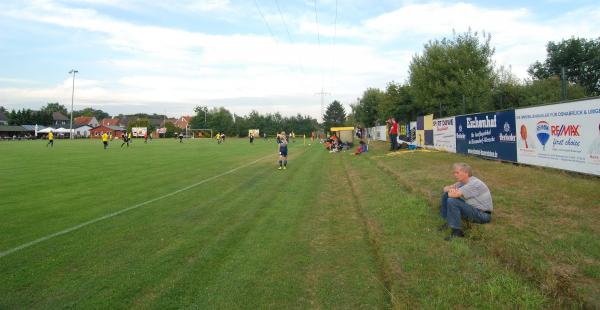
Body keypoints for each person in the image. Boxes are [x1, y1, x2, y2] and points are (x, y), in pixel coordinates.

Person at [439, 163, 493, 241]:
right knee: (446, 195)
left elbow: (452, 195)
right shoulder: (462, 182)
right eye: (454, 173)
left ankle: (457, 233)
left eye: (457, 173)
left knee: (452, 201)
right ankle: (447, 221)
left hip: (483, 215)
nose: (455, 175)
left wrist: (452, 191)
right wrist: (450, 190)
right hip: (474, 210)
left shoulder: (474, 183)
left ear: (466, 173)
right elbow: (445, 189)